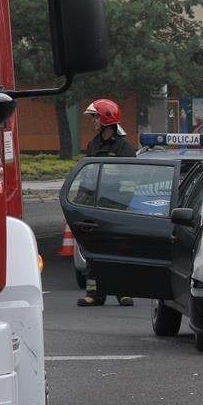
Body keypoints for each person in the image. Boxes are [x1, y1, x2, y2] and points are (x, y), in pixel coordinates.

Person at [77, 98, 136, 307]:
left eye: (95, 117)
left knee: (119, 251)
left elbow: (130, 182)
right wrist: (82, 204)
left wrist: (121, 206)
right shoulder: (93, 145)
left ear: (105, 119)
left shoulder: (124, 148)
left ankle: (123, 293)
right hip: (96, 208)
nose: (93, 122)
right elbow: (88, 178)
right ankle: (94, 295)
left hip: (117, 209)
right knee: (94, 252)